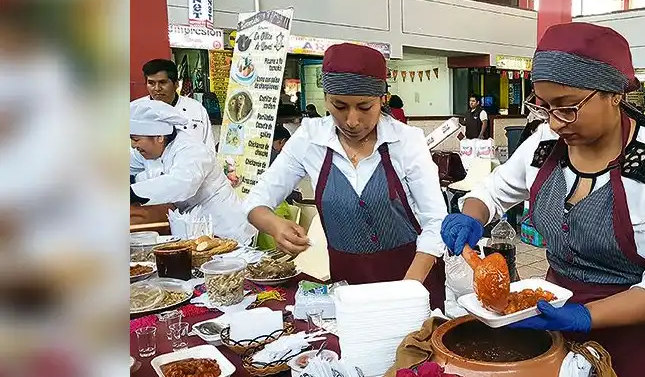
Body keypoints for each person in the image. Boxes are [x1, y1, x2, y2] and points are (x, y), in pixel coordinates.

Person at [439, 22, 645, 377]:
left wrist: (585, 316)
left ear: (614, 93)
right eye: (544, 106)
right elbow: (492, 192)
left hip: (631, 348)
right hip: (551, 336)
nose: (553, 121)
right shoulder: (546, 144)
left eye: (567, 108)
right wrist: (470, 216)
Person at [243, 44, 448, 310]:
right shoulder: (310, 139)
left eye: (365, 107)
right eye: (339, 106)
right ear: (326, 97)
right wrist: (273, 224)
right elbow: (255, 201)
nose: (352, 120)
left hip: (413, 278)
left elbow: (436, 222)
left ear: (382, 99)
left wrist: (408, 290)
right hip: (347, 287)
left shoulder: (406, 142)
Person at [129, 101, 254, 243]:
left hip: (227, 229)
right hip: (197, 230)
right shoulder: (151, 151)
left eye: (136, 139)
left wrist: (131, 193)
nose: (134, 145)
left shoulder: (191, 150)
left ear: (159, 137)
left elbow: (182, 184)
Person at [132, 59, 215, 151]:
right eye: (151, 83)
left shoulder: (196, 108)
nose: (157, 88)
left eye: (162, 82)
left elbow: (208, 146)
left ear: (176, 84)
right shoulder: (136, 110)